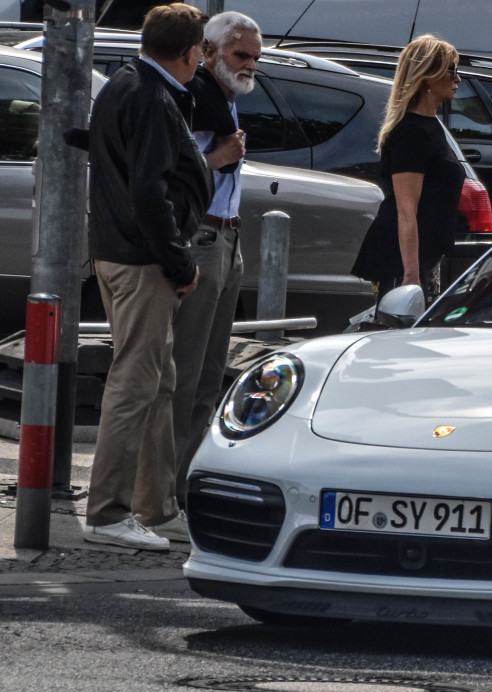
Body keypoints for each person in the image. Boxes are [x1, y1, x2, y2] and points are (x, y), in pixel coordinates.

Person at [83, 3, 213, 551]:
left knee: (159, 381)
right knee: (136, 384)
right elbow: (149, 192)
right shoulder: (153, 96)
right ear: (189, 53)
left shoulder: (123, 83)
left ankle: (154, 509)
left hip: (121, 254)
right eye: (200, 53)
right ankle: (109, 513)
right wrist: (180, 261)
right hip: (141, 261)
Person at [170, 10, 259, 527]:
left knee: (208, 377)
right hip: (201, 237)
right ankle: (159, 493)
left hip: (227, 235)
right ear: (206, 51)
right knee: (182, 374)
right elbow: (168, 170)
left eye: (254, 58)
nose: (248, 65)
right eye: (239, 54)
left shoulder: (221, 99)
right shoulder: (193, 97)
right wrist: (217, 157)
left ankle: (181, 489)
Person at [351, 34, 465, 304]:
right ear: (428, 74)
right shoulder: (411, 133)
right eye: (452, 71)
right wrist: (411, 275)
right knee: (398, 333)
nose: (458, 79)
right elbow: (406, 210)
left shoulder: (431, 126)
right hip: (402, 261)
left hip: (424, 256)